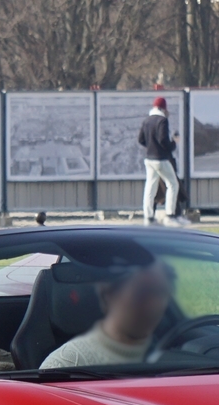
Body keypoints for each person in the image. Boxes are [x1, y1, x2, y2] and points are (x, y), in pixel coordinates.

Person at [40, 254, 176, 371]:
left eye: (160, 293)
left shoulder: (175, 353)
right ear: (108, 295)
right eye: (141, 293)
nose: (152, 306)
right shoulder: (65, 363)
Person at [137, 96, 181, 224]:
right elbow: (163, 140)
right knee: (173, 184)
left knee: (150, 187)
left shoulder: (146, 121)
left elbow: (141, 139)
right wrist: (173, 143)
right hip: (161, 159)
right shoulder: (162, 121)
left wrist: (151, 146)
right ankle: (170, 215)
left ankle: (148, 216)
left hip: (149, 159)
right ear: (163, 108)